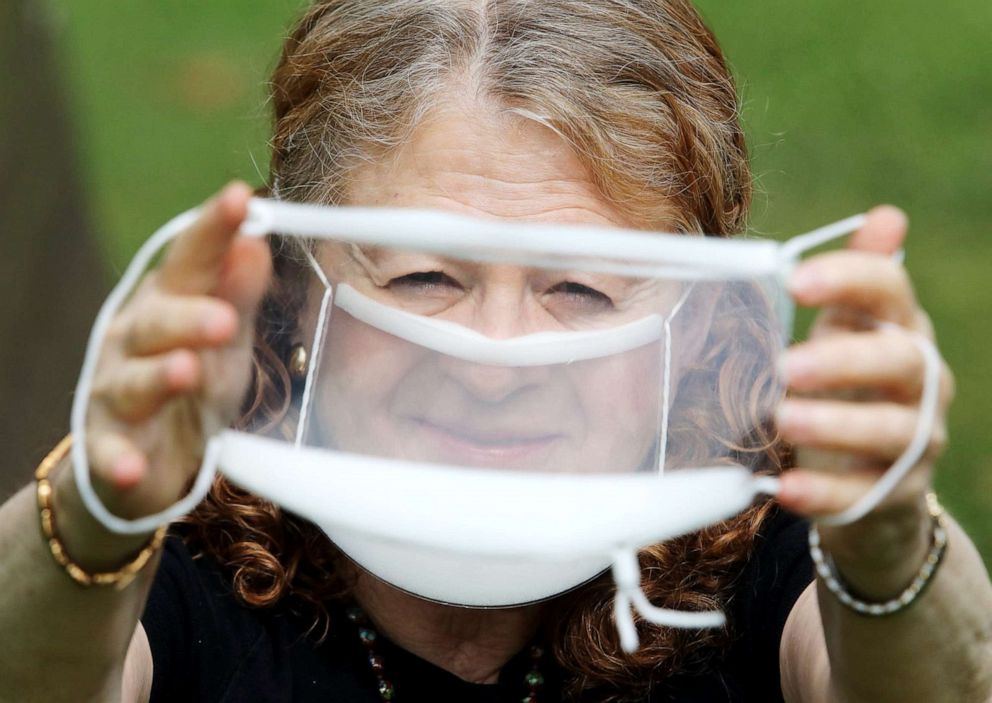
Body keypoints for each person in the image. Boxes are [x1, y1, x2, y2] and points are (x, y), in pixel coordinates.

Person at [2, 1, 990, 701]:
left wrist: (887, 536)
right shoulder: (173, 559)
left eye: (578, 288)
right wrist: (98, 505)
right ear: (298, 296)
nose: (491, 362)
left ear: (693, 327)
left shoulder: (770, 556)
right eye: (423, 279)